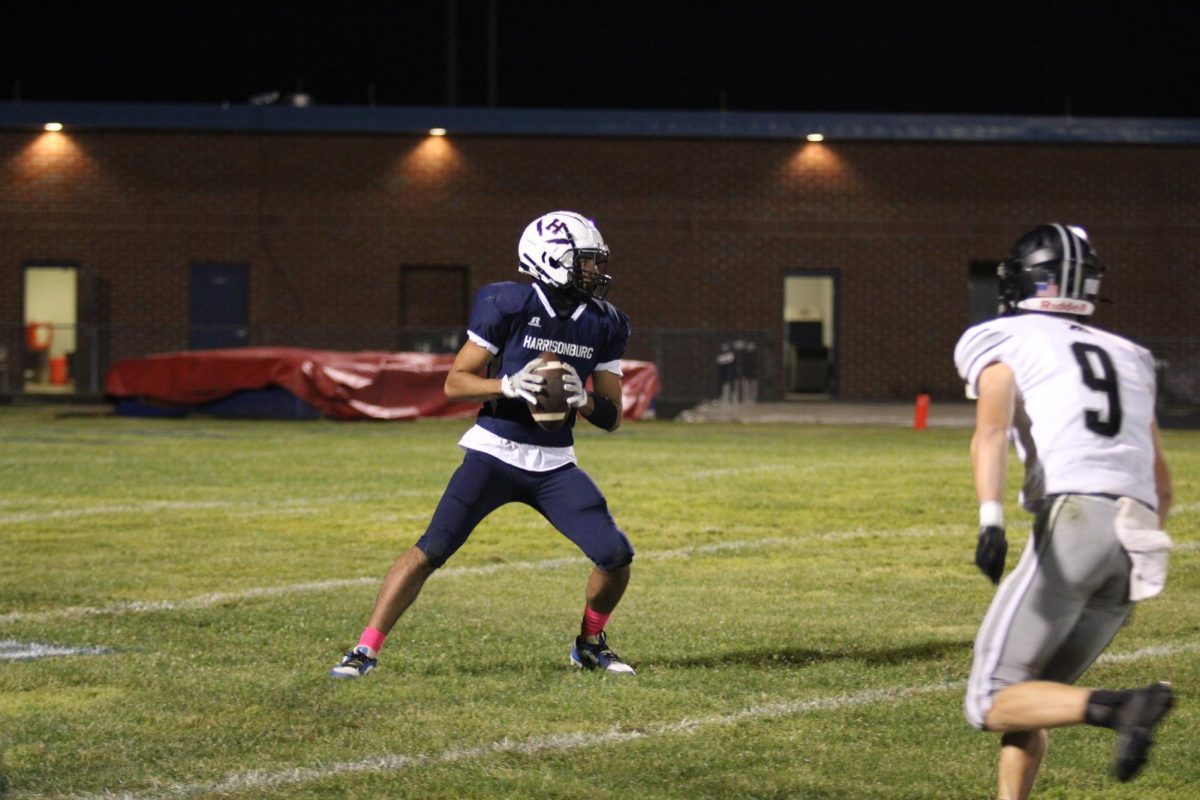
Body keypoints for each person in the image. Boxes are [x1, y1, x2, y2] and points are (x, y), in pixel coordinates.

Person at [331, 210, 636, 678]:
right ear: (550, 258)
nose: (594, 272)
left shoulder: (606, 322)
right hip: (495, 451)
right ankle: (364, 649)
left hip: (554, 463)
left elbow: (613, 418)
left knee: (615, 555)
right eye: (586, 261)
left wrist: (584, 400)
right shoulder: (508, 301)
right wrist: (508, 387)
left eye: (595, 261)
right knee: (432, 548)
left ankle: (590, 642)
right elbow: (455, 383)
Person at [953, 223, 1175, 800]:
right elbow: (1161, 477)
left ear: (1025, 280)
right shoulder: (1130, 354)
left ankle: (1124, 706)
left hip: (1079, 522)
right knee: (1030, 700)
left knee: (990, 699)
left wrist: (991, 520)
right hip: (1140, 537)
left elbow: (992, 430)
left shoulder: (1003, 336)